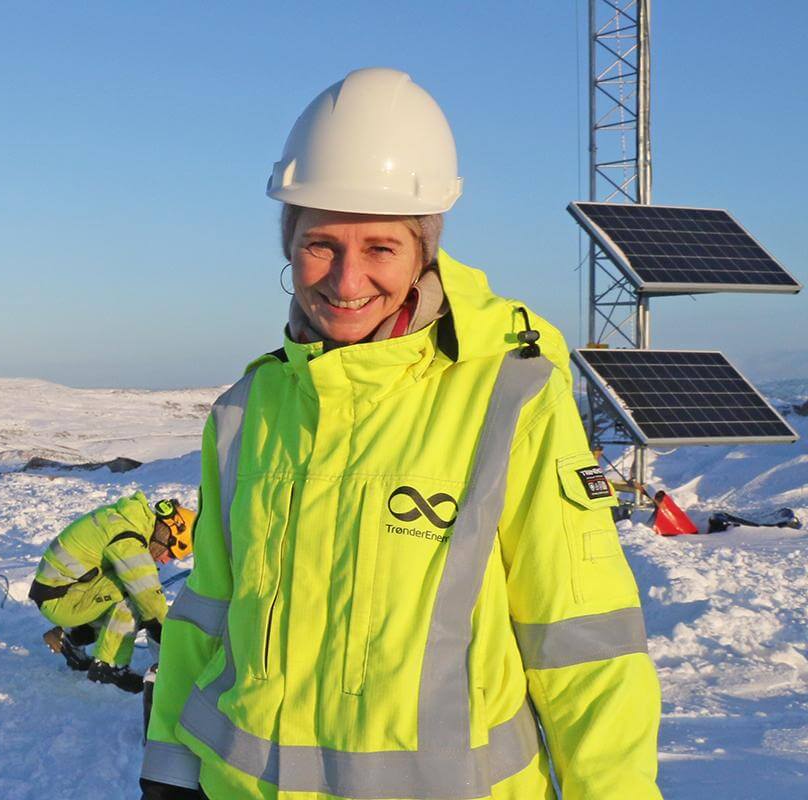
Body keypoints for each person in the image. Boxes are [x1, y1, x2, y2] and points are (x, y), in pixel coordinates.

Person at [142, 68, 661, 799]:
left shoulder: (508, 396)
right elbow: (209, 609)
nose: (346, 280)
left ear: (425, 251)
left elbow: (581, 639)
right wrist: (168, 764)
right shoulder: (247, 409)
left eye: (381, 247)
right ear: (288, 244)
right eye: (320, 244)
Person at [30, 492, 195, 693]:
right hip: (62, 598)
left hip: (62, 592)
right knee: (134, 594)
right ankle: (109, 668)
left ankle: (73, 638)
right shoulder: (128, 538)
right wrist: (164, 630)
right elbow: (146, 593)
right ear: (166, 533)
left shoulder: (128, 521)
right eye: (169, 552)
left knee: (135, 598)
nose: (165, 560)